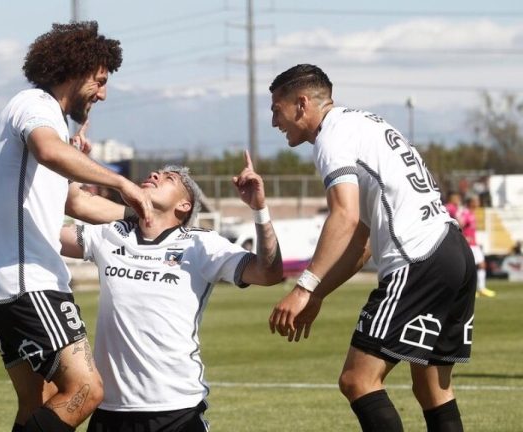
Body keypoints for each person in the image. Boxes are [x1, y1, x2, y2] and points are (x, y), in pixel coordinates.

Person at [267, 64, 475, 432]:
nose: (273, 122)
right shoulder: (364, 124)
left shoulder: (332, 136)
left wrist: (303, 288)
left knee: (357, 380)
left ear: (301, 104)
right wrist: (319, 293)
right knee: (432, 390)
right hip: (452, 251)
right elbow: (360, 241)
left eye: (276, 109)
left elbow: (343, 217)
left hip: (418, 257)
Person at [0, 21, 153, 432]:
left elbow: (74, 202)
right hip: (28, 282)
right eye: (101, 81)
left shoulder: (46, 120)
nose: (103, 94)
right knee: (85, 390)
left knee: (36, 404)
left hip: (2, 284)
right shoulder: (37, 105)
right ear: (77, 69)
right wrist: (123, 182)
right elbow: (48, 150)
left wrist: (141, 214)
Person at [59, 155, 283, 432]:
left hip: (177, 411)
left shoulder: (201, 244)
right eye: (156, 173)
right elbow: (49, 234)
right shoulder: (110, 235)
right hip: (111, 410)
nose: (155, 175)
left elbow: (268, 273)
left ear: (184, 205)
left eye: (169, 178)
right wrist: (70, 158)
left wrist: (259, 208)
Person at [456, 195, 496, 298]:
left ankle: (481, 288)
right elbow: (459, 225)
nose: (478, 202)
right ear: (470, 202)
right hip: (469, 245)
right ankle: (470, 290)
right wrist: (463, 236)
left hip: (474, 244)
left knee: (481, 265)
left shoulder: (472, 213)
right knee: (471, 267)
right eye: (476, 201)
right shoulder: (466, 213)